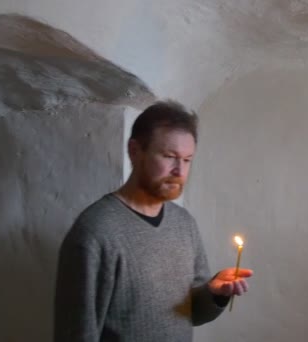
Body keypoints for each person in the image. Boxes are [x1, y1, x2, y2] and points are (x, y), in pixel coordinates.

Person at [54, 101, 253, 341]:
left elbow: (191, 313)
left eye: (187, 160)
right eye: (169, 156)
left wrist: (214, 293)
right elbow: (76, 333)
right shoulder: (96, 232)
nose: (179, 171)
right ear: (135, 151)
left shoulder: (184, 224)